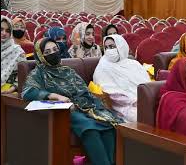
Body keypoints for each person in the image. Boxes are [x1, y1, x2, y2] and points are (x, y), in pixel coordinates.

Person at [22, 37, 123, 165]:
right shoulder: (39, 74)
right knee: (90, 129)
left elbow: (84, 90)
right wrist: (55, 96)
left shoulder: (67, 70)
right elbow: (28, 92)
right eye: (47, 52)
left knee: (109, 126)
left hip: (85, 105)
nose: (53, 53)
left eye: (55, 49)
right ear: (41, 56)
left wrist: (96, 105)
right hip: (65, 110)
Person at [93, 35, 151, 122]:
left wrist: (144, 100)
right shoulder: (103, 66)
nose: (109, 50)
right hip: (122, 108)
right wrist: (133, 100)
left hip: (144, 101)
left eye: (112, 47)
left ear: (121, 46)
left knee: (159, 111)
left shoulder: (134, 64)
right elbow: (111, 94)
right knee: (142, 116)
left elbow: (147, 85)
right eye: (106, 48)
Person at [1, 15, 26, 94]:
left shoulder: (17, 51)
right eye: (1, 29)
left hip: (7, 91)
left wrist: (10, 90)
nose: (4, 33)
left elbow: (23, 76)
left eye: (8, 31)